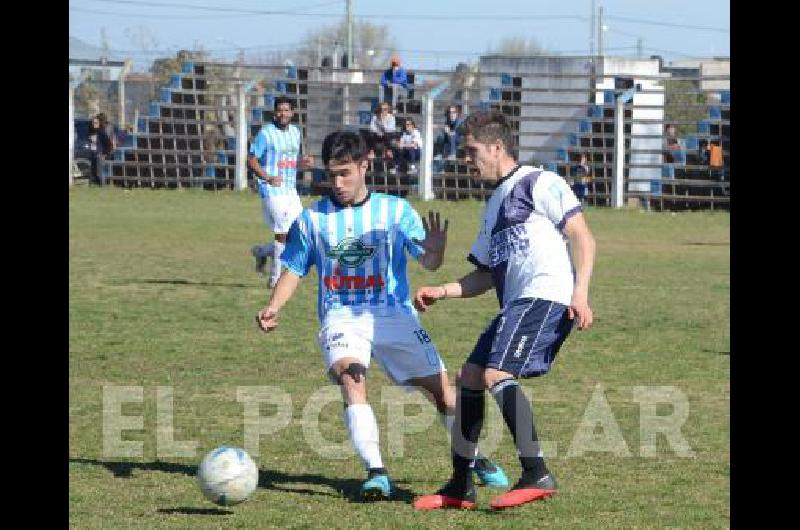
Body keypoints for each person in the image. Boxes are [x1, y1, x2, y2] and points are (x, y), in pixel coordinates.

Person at [255, 130, 508, 501]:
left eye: (345, 173)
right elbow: (293, 268)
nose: (337, 183)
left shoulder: (395, 211)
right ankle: (376, 471)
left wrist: (436, 251)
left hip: (393, 314)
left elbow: (428, 262)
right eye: (331, 174)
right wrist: (274, 306)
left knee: (443, 396)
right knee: (351, 377)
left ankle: (476, 457)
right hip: (341, 316)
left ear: (364, 165)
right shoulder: (311, 220)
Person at [412, 110, 596, 511]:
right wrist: (441, 290)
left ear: (496, 148)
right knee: (471, 376)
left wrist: (580, 294)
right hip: (518, 302)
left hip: (546, 296)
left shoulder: (539, 182)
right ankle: (460, 486)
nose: (466, 159)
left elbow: (583, 236)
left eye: (471, 150)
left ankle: (537, 472)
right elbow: (486, 276)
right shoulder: (493, 204)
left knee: (496, 372)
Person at [249, 96, 314, 288]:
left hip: (290, 189)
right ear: (274, 112)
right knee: (283, 233)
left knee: (300, 233)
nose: (283, 113)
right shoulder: (266, 133)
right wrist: (267, 177)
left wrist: (303, 164)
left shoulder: (295, 132)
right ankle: (275, 279)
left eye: (286, 110)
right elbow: (252, 160)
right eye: (279, 110)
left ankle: (262, 252)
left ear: (292, 112)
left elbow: (291, 163)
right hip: (272, 190)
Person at [368, 102, 399, 174]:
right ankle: (377, 165)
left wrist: (382, 124)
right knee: (372, 137)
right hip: (378, 135)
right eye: (381, 109)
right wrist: (379, 132)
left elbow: (390, 128)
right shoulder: (375, 117)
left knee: (388, 138)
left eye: (385, 109)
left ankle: (390, 160)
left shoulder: (391, 117)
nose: (383, 111)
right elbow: (372, 128)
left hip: (389, 135)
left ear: (388, 109)